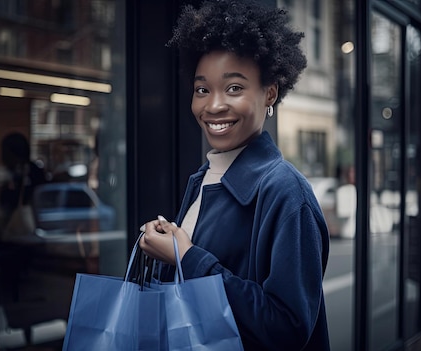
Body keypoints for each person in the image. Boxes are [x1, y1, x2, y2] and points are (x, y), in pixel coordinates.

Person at [139, 0, 331, 350]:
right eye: (202, 89)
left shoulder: (287, 192)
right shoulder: (204, 177)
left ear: (269, 92)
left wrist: (187, 256)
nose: (213, 106)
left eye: (234, 88)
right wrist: (167, 246)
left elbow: (288, 330)